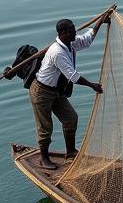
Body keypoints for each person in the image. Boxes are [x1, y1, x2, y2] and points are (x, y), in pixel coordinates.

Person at [29, 13, 111, 168]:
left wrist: (100, 22)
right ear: (63, 33)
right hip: (42, 91)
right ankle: (44, 159)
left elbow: (87, 40)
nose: (75, 32)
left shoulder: (70, 44)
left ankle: (71, 151)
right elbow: (72, 76)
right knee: (45, 127)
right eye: (72, 30)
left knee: (71, 118)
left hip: (56, 91)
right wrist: (92, 85)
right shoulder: (57, 52)